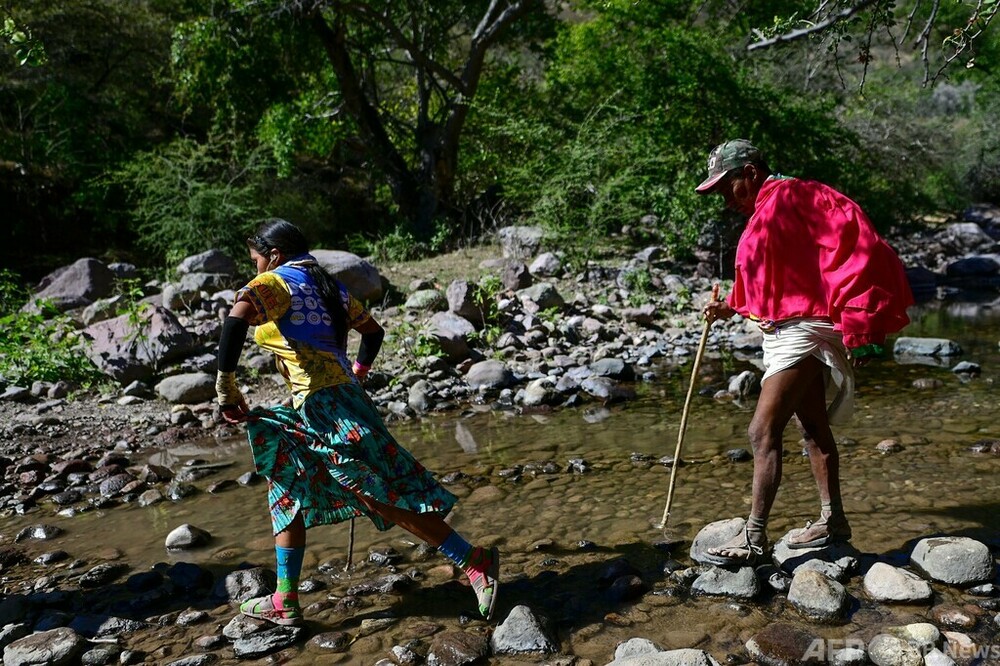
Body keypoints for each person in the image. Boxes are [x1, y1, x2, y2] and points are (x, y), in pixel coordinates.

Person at [215, 218, 499, 625]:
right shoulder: (331, 288)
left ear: (274, 256)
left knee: (375, 490)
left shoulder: (276, 281)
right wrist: (358, 372)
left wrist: (227, 386)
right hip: (333, 399)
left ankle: (474, 561)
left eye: (257, 260)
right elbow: (373, 332)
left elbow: (237, 317)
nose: (257, 268)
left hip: (324, 405)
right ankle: (285, 598)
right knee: (287, 483)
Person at [693, 139, 913, 565]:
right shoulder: (763, 213)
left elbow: (857, 249)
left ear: (751, 173)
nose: (723, 197)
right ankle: (834, 522)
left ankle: (753, 539)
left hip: (806, 330)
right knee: (811, 428)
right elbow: (777, 277)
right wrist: (728, 306)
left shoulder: (801, 196)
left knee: (761, 430)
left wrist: (862, 323)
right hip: (786, 329)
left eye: (726, 186)